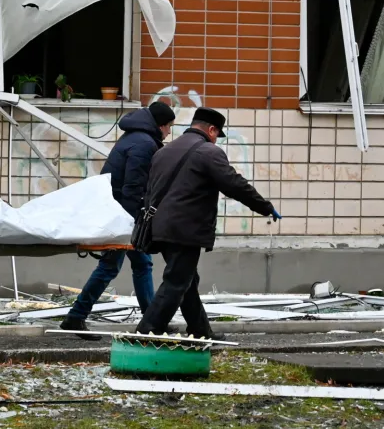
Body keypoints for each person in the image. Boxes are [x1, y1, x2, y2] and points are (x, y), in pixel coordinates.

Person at [136, 108, 280, 340]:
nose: (216, 138)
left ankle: (201, 332)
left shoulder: (165, 150)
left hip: (160, 227)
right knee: (176, 282)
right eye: (216, 134)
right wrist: (264, 206)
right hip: (185, 229)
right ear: (211, 130)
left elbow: (150, 189)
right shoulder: (208, 152)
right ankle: (146, 332)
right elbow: (234, 184)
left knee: (187, 281)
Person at [59, 102, 176, 340]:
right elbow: (133, 187)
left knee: (136, 265)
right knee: (118, 266)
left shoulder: (133, 137)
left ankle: (148, 320)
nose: (169, 132)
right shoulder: (144, 144)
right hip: (124, 216)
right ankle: (78, 316)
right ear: (160, 125)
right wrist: (136, 222)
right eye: (169, 127)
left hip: (118, 212)